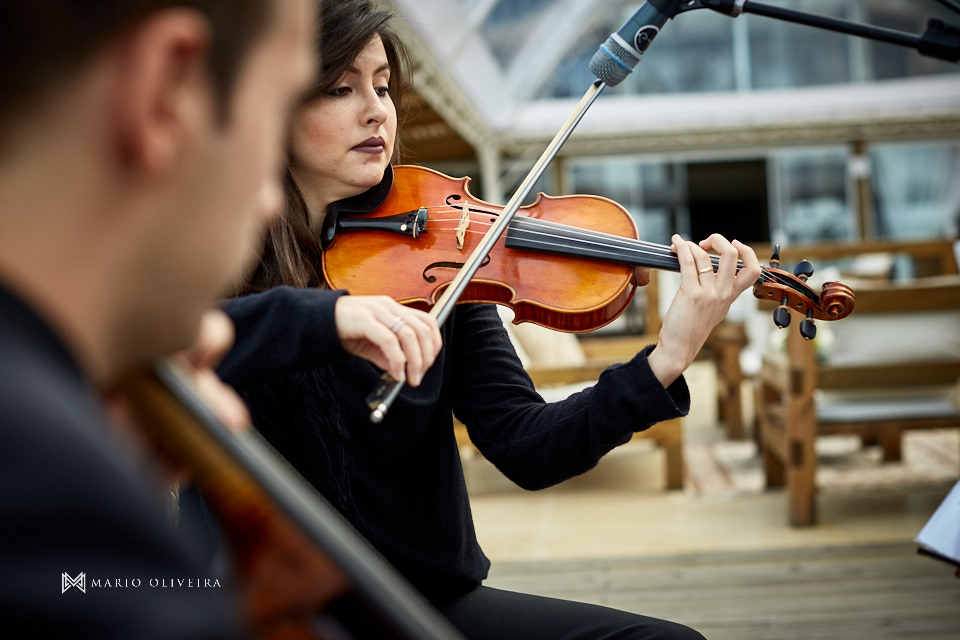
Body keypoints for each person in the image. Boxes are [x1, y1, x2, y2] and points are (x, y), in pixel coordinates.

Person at [216, 0, 762, 638]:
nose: (376, 110)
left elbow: (528, 446)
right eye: (341, 88)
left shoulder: (444, 257)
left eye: (384, 87)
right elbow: (166, 347)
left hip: (423, 605)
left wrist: (666, 359)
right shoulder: (221, 255)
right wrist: (326, 317)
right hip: (265, 610)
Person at [0, 0, 441, 637]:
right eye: (275, 106)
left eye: (381, 88)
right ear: (163, 94)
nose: (268, 199)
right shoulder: (54, 505)